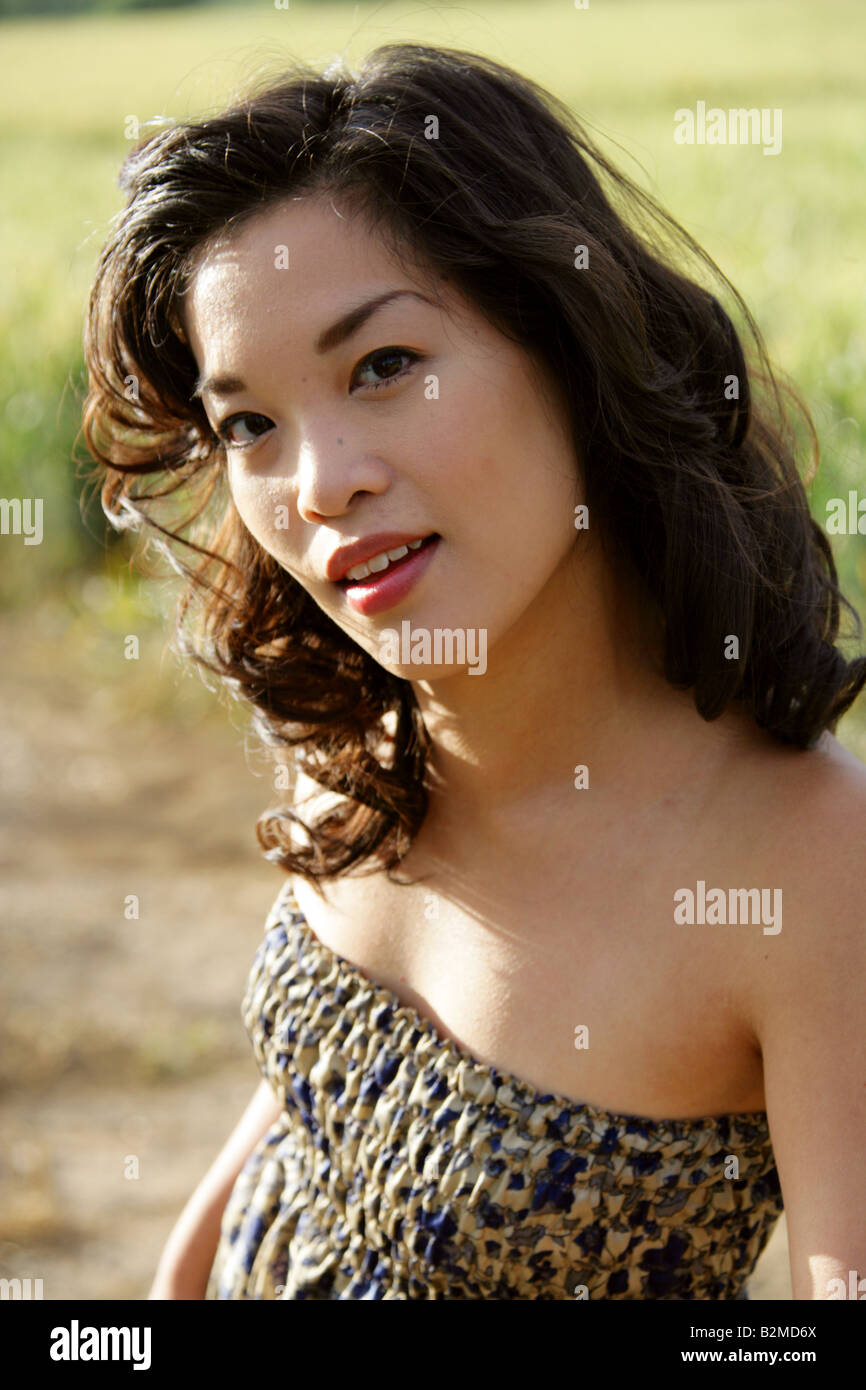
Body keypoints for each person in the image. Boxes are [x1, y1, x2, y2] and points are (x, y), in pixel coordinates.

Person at [82, 42, 866, 1300]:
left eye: (382, 367)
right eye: (248, 424)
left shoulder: (807, 868)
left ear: (569, 342)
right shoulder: (374, 743)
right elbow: (305, 1132)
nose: (319, 479)